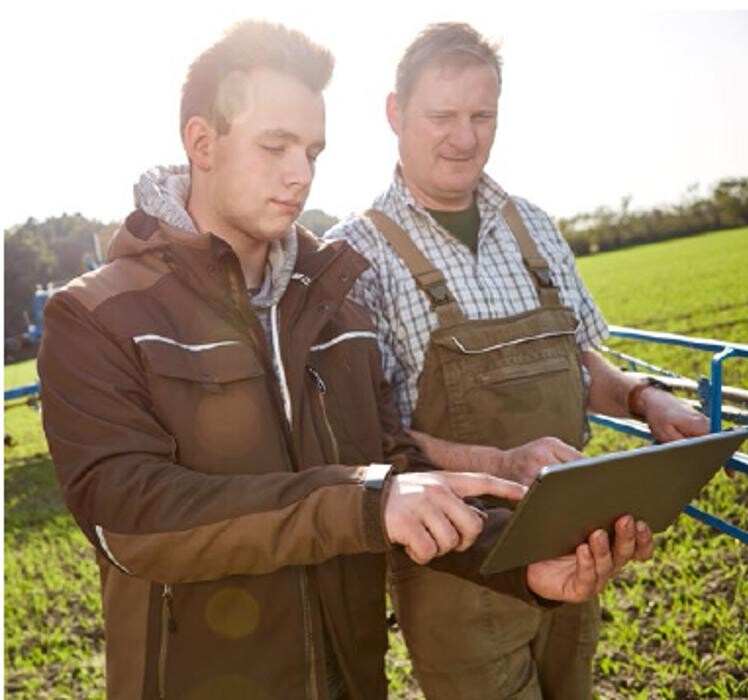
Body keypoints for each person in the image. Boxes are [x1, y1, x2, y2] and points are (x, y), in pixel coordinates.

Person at [38, 20, 653, 700]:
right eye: (275, 146)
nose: (300, 173)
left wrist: (518, 566)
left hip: (351, 680)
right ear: (201, 143)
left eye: (313, 150)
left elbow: (392, 466)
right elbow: (129, 518)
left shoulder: (335, 301)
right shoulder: (96, 315)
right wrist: (362, 501)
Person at [326, 21, 709, 700]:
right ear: (395, 113)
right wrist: (502, 463)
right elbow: (368, 440)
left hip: (574, 546)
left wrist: (644, 398)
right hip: (454, 566)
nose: (465, 137)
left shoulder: (531, 225)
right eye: (442, 115)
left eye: (482, 115)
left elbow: (578, 357)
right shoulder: (356, 255)